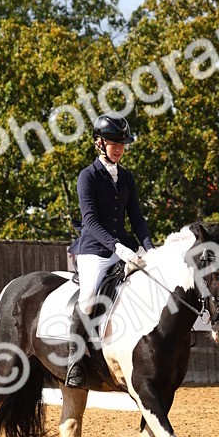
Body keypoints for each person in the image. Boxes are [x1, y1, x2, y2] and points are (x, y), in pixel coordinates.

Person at [64, 113, 154, 387]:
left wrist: (150, 250)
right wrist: (117, 247)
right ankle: (74, 361)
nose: (118, 148)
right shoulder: (87, 176)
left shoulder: (126, 178)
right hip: (94, 250)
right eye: (113, 143)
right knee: (89, 297)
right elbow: (89, 221)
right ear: (99, 144)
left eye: (122, 143)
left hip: (123, 248)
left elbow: (136, 217)